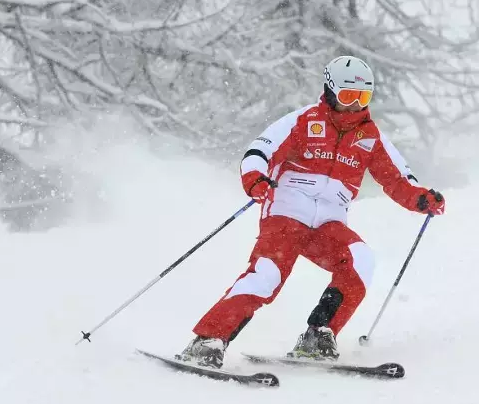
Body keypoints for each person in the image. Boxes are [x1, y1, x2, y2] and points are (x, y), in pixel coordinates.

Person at [177, 55, 445, 369]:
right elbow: (258, 151)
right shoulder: (304, 120)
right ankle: (208, 340)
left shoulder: (370, 136)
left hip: (328, 223)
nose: (355, 105)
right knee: (267, 276)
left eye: (363, 98)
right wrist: (256, 179)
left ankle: (318, 334)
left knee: (360, 259)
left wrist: (422, 199)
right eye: (348, 97)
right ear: (331, 91)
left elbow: (398, 179)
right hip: (287, 214)